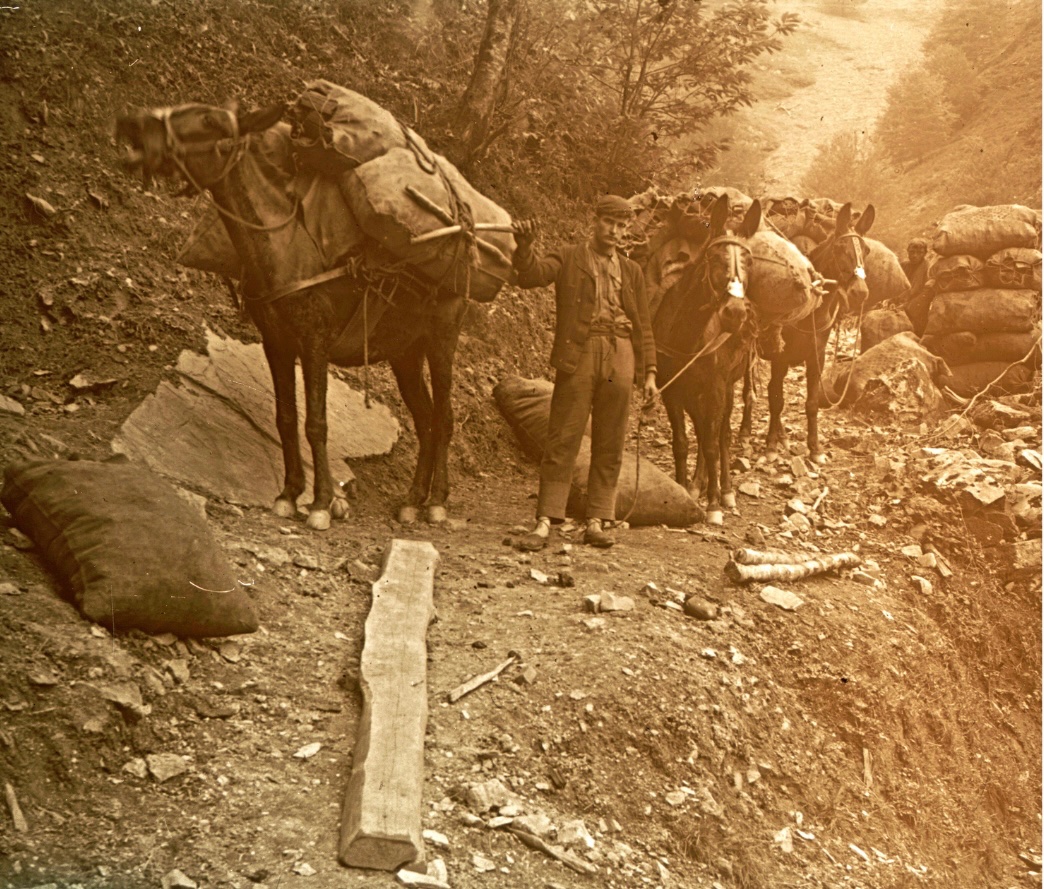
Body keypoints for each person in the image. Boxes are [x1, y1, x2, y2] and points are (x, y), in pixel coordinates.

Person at [512, 195, 658, 551]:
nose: (615, 232)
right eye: (609, 223)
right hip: (578, 353)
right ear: (594, 221)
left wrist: (649, 373)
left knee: (611, 439)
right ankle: (546, 520)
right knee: (564, 435)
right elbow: (530, 276)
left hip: (619, 353)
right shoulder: (567, 257)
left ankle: (597, 519)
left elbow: (644, 327)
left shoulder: (632, 271)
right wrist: (525, 247)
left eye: (622, 226)